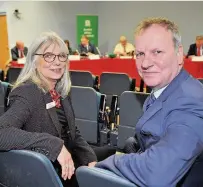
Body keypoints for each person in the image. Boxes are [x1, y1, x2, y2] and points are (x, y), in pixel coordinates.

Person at [95, 17, 203, 186]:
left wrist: (106, 164)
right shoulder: (166, 89)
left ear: (179, 54)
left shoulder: (191, 102)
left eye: (157, 52)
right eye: (140, 54)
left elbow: (158, 173)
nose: (145, 63)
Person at [0, 32, 97, 187]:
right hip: (47, 172)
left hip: (70, 162)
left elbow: (73, 132)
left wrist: (90, 158)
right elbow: (2, 132)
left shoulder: (59, 90)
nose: (57, 62)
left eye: (61, 56)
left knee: (111, 160)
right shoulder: (28, 92)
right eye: (49, 56)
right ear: (34, 60)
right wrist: (53, 144)